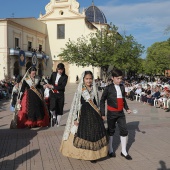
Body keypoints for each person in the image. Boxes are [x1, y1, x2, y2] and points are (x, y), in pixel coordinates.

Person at [60, 71, 108, 163]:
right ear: (83, 79)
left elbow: (97, 103)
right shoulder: (80, 90)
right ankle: (83, 154)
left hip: (94, 115)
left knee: (94, 134)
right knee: (84, 134)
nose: (89, 81)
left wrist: (101, 114)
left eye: (90, 79)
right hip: (84, 115)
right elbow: (75, 105)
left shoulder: (94, 88)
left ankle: (93, 156)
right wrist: (75, 118)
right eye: (87, 79)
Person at [100, 68, 132, 160]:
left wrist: (127, 108)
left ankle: (124, 151)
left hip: (120, 113)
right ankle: (110, 150)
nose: (119, 80)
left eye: (120, 78)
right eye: (117, 78)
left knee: (124, 130)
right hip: (111, 113)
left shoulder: (122, 87)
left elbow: (123, 99)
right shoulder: (108, 88)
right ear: (113, 78)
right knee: (111, 131)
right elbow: (102, 100)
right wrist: (103, 113)